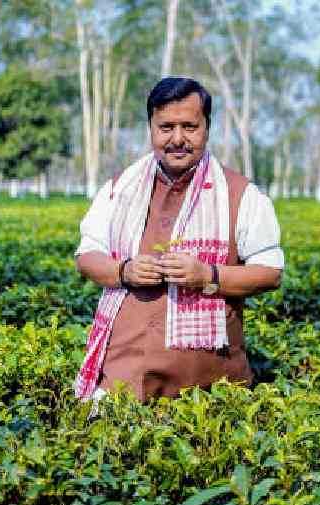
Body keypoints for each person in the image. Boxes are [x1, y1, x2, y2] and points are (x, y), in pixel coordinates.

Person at [73, 77, 283, 408]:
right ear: (151, 129)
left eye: (190, 126)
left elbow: (270, 273)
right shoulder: (119, 189)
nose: (178, 139)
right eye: (166, 127)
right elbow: (87, 256)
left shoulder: (242, 195)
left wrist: (208, 276)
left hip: (211, 388)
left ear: (207, 128)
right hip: (125, 376)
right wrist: (124, 270)